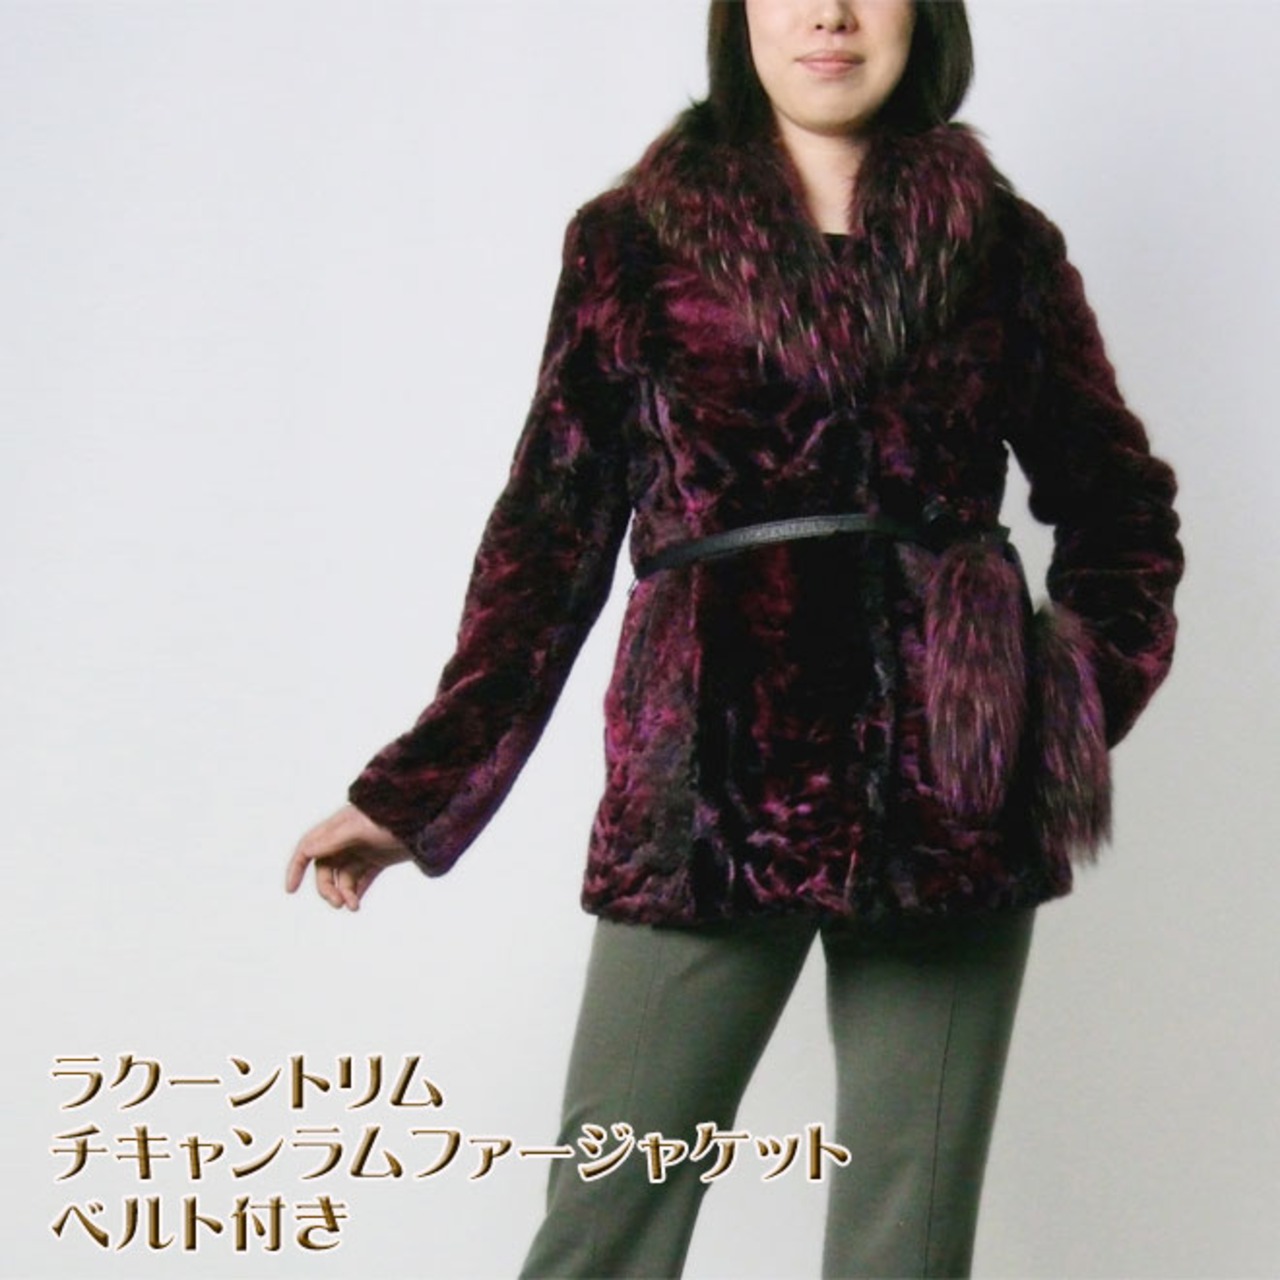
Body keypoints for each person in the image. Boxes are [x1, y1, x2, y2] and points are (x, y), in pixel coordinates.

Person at [285, 2, 1183, 1275]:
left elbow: (1119, 510)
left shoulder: (1003, 247)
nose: (827, 13)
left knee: (908, 1246)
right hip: (707, 778)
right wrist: (417, 788)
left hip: (949, 792)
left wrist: (1044, 719)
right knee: (605, 1225)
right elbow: (549, 532)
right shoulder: (631, 240)